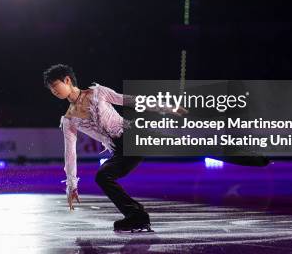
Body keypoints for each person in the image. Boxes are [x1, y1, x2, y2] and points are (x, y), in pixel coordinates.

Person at [43, 64, 188, 232]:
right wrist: (71, 184)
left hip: (134, 134)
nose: (53, 91)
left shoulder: (98, 92)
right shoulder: (69, 120)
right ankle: (136, 216)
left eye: (54, 86)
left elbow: (129, 100)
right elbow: (70, 152)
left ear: (67, 80)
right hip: (120, 150)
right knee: (103, 176)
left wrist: (166, 107)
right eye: (50, 89)